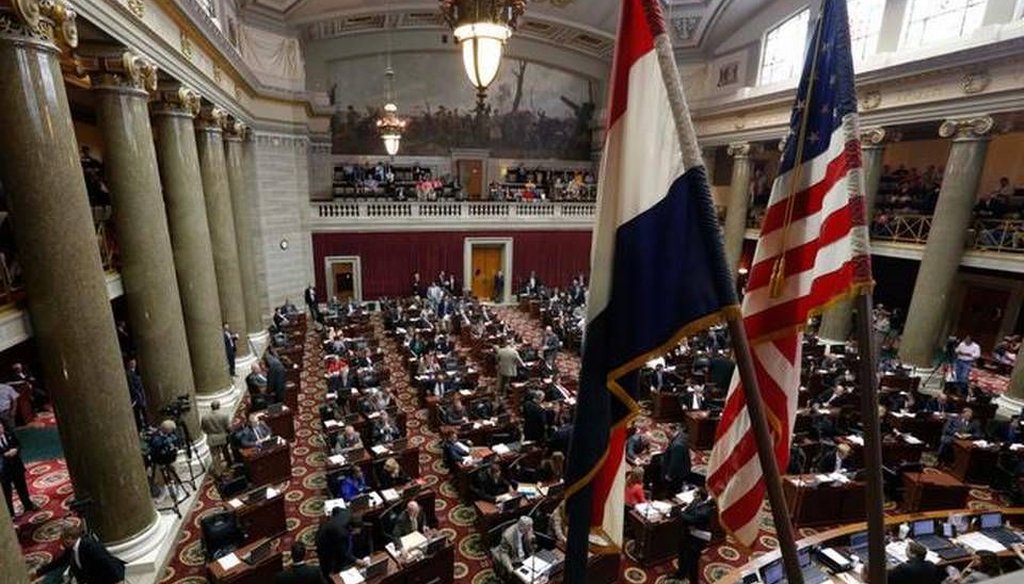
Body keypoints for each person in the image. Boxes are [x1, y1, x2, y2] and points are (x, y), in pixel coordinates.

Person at [35, 522, 126, 584]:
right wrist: (38, 572)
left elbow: (107, 562)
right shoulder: (71, 548)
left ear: (69, 539)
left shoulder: (90, 547)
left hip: (107, 579)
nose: (60, 542)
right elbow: (60, 561)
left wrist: (117, 581)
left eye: (62, 539)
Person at [675, 488, 714, 584]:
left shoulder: (705, 511)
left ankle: (693, 581)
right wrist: (684, 515)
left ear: (700, 496)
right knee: (682, 554)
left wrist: (680, 513)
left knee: (692, 562)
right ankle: (681, 574)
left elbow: (691, 519)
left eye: (695, 494)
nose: (693, 495)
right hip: (686, 534)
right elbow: (687, 511)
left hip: (696, 541)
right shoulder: (696, 500)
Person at [1, 419, 35, 516]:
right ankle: (11, 514)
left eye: (0, 426)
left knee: (22, 487)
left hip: (16, 466)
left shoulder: (9, 434)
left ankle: (28, 505)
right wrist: (4, 455)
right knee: (7, 493)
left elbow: (18, 444)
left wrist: (16, 450)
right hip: (4, 471)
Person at [315, 507, 355, 578]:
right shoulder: (342, 533)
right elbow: (342, 552)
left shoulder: (347, 512)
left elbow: (336, 509)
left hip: (328, 529)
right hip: (323, 543)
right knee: (327, 563)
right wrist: (356, 560)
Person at [201, 400, 233, 470]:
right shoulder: (224, 416)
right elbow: (228, 427)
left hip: (212, 438)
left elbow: (203, 428)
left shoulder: (205, 417)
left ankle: (218, 472)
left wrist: (209, 433)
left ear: (211, 407)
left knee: (215, 457)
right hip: (223, 437)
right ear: (219, 406)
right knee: (225, 451)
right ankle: (230, 465)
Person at [662, 425, 692, 493]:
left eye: (667, 432)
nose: (666, 435)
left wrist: (669, 475)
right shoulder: (682, 435)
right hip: (684, 469)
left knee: (673, 491)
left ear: (672, 430)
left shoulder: (677, 445)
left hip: (677, 475)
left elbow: (675, 463)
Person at [125, 358, 147, 432]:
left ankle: (145, 425)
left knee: (143, 411)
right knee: (138, 412)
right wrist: (137, 395)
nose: (134, 364)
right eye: (132, 362)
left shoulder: (135, 372)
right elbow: (132, 386)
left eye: (134, 362)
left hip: (140, 395)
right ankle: (140, 428)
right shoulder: (129, 374)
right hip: (136, 396)